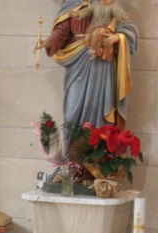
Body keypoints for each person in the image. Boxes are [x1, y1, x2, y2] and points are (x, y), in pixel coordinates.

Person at [36, 0, 138, 138]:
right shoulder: (71, 2)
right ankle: (72, 154)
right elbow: (62, 30)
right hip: (76, 61)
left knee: (100, 105)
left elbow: (127, 26)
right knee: (72, 110)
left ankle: (99, 153)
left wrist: (117, 37)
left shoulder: (110, 1)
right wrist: (49, 41)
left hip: (101, 61)